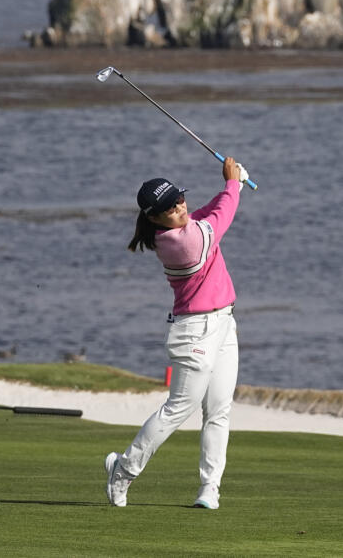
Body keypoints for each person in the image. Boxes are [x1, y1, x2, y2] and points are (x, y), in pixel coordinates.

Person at [105, 157, 248, 509]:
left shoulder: (186, 226)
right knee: (179, 408)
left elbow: (205, 213)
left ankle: (209, 488)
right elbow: (221, 217)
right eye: (170, 209)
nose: (180, 208)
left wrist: (233, 186)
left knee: (218, 410)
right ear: (154, 218)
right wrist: (233, 184)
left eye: (179, 199)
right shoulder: (181, 243)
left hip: (224, 323)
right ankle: (123, 470)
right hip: (195, 333)